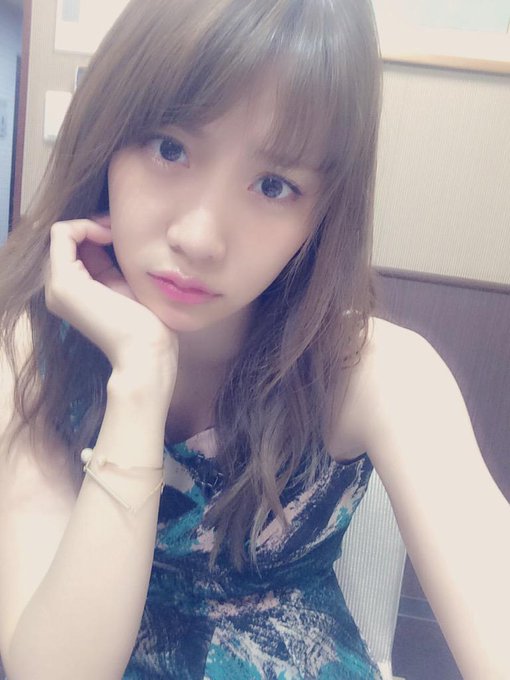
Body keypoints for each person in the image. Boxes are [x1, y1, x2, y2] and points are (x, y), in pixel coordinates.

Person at [0, 0, 509, 678]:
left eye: (273, 185)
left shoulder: (371, 371)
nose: (199, 237)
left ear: (323, 211)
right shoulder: (35, 350)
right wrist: (140, 381)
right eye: (170, 148)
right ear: (106, 139)